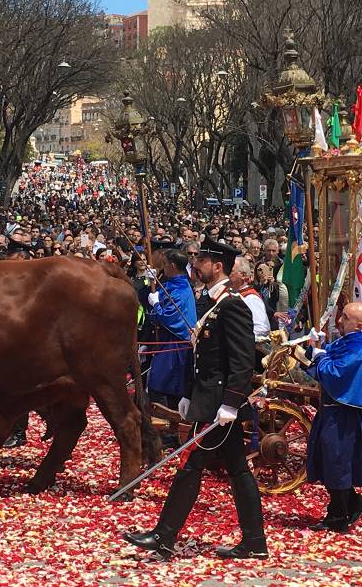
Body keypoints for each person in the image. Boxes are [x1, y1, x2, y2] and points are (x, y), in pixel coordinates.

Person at [123, 240, 267, 560]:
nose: (195, 264)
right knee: (238, 470)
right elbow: (201, 356)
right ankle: (255, 542)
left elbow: (242, 363)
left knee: (191, 465)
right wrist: (188, 395)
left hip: (221, 405)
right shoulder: (210, 301)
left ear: (217, 266)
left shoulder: (232, 304)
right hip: (209, 399)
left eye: (201, 259)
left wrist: (230, 403)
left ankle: (164, 536)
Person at [300, 301, 362, 532]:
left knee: (338, 463)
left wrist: (320, 357)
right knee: (326, 459)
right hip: (331, 410)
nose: (339, 321)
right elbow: (326, 357)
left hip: (344, 414)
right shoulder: (349, 342)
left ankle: (338, 515)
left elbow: (335, 373)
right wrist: (316, 347)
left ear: (360, 326)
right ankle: (353, 504)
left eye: (345, 317)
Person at [144, 249, 196, 449]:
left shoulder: (181, 289)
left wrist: (156, 304)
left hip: (176, 346)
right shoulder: (172, 285)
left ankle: (169, 437)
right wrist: (151, 286)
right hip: (167, 343)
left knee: (162, 388)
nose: (162, 267)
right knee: (160, 387)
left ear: (173, 266)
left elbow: (169, 319)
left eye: (165, 264)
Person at [229, 256, 271, 341]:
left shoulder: (251, 298)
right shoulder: (233, 293)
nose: (228, 274)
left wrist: (238, 336)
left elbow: (262, 328)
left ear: (243, 275)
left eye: (231, 271)